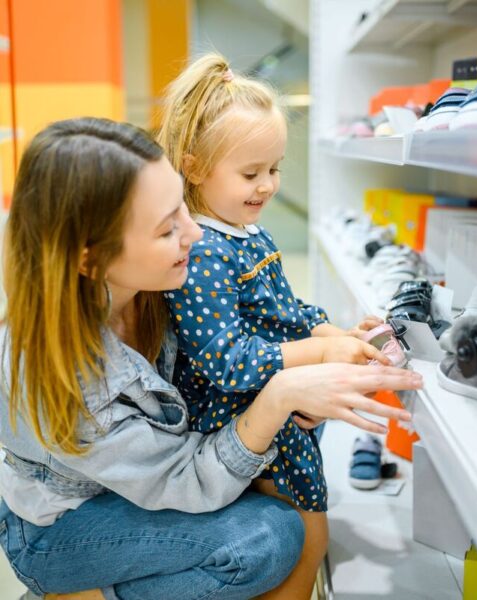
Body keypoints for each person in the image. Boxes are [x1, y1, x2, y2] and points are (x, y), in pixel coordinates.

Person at [0, 117, 420, 600]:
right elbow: (185, 479)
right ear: (90, 259)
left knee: (297, 439)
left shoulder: (156, 286)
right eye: (165, 230)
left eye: (182, 207)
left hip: (145, 479)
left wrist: (327, 343)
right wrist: (281, 393)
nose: (195, 234)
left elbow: (258, 332)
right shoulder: (67, 380)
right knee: (266, 539)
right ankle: (76, 594)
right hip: (62, 527)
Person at [157, 54, 396, 597]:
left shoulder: (249, 233)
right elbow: (226, 359)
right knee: (306, 540)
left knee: (310, 539)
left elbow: (288, 314)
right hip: (242, 417)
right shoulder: (205, 253)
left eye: (274, 169)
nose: (267, 186)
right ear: (194, 168)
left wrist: (337, 336)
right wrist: (319, 357)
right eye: (251, 173)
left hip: (278, 402)